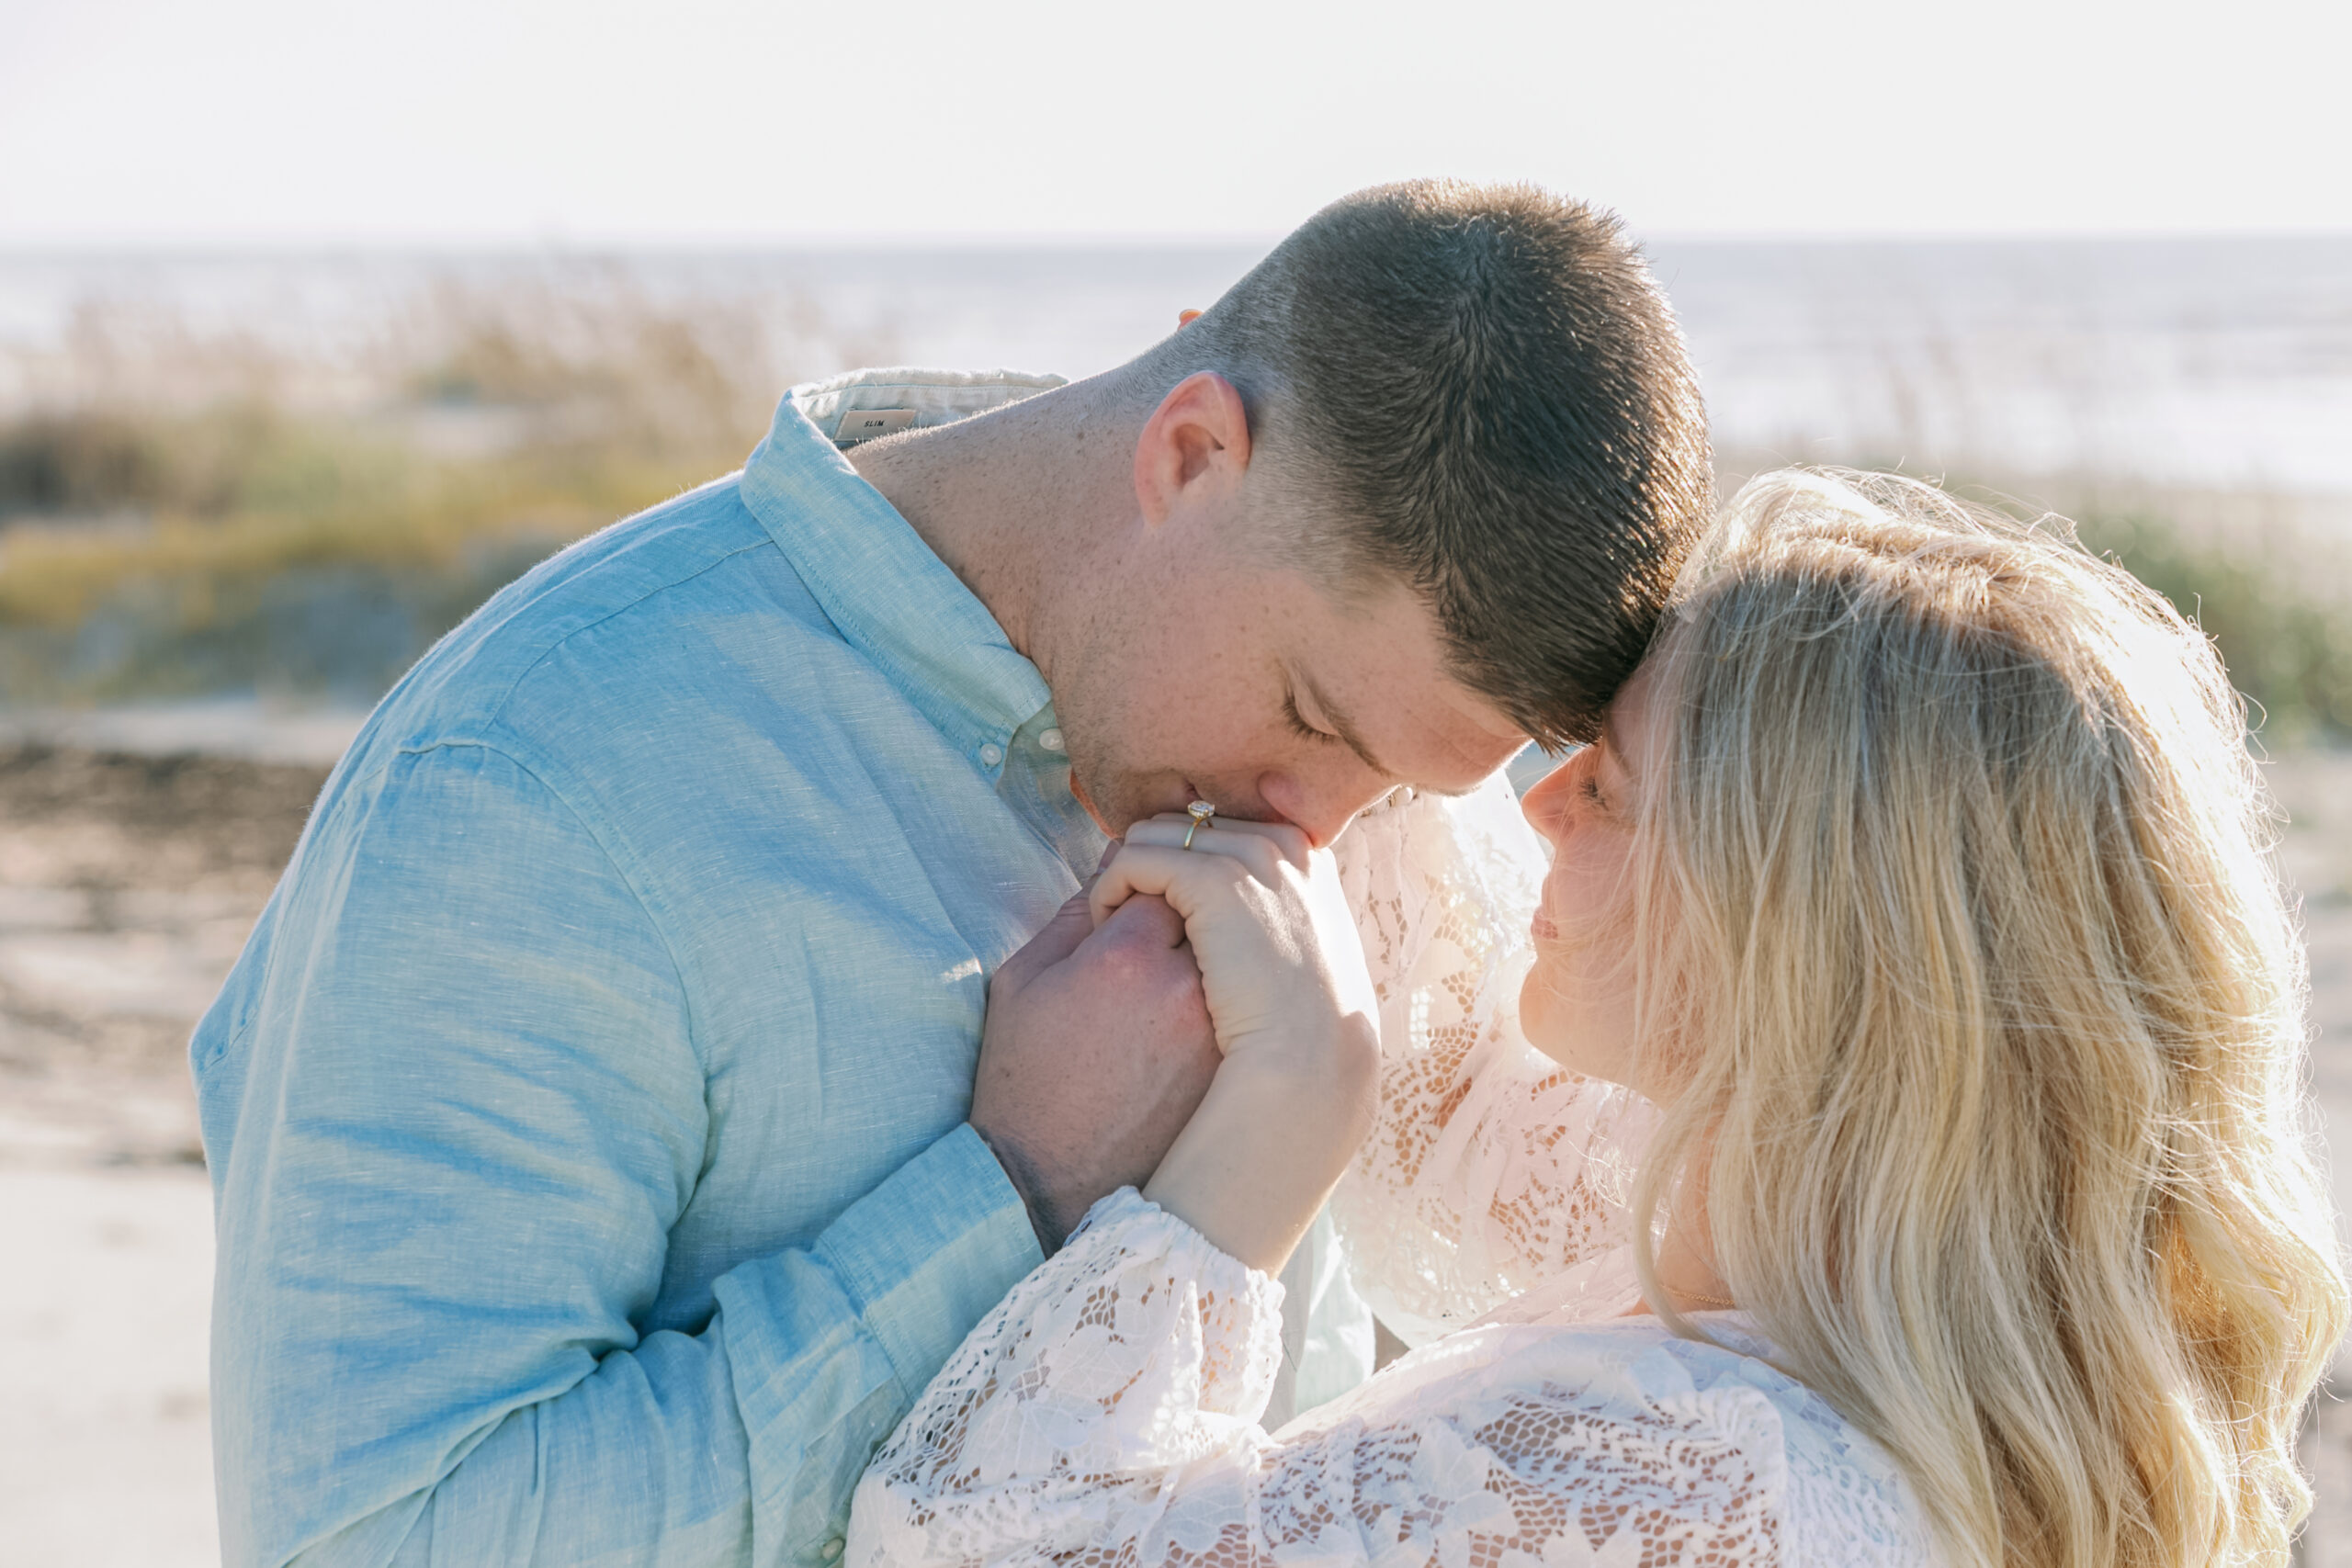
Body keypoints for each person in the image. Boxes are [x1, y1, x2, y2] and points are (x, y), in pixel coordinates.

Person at [194, 181, 1713, 1566]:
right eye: (1310, 721)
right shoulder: (530, 784)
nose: (1320, 829)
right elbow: (372, 1539)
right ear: (1192, 453)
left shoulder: (1342, 767)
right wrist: (1018, 1190)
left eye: (1400, 780)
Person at [849, 470, 2348, 1568]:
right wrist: (1270, 526)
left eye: (1613, 786)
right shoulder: (1920, 1286)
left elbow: (968, 1544)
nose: (1538, 802)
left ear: (1793, 939)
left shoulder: (1693, 1482)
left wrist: (1264, 1136)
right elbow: (1469, 1112)